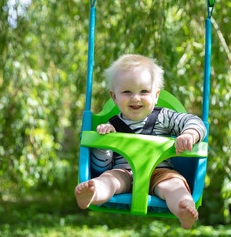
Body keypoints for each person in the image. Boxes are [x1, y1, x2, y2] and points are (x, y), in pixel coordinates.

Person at [74, 54, 207, 229]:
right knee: (108, 179)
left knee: (175, 186)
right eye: (127, 92)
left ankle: (184, 208)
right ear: (114, 97)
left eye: (144, 91)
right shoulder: (112, 125)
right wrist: (104, 143)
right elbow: (102, 166)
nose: (135, 98)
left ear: (156, 95)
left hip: (160, 172)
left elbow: (195, 122)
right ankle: (93, 192)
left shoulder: (164, 117)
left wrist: (189, 134)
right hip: (124, 172)